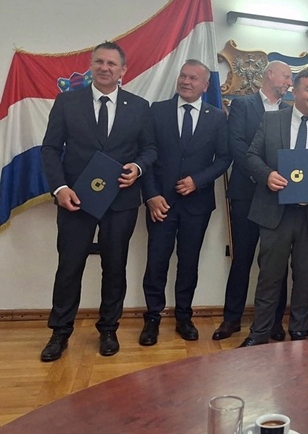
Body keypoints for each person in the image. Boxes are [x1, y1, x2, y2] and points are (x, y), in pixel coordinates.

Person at [39, 41, 157, 361]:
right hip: (75, 200)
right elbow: (50, 149)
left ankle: (108, 329)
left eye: (111, 63)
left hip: (121, 200)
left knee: (114, 267)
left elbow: (149, 149)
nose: (104, 68)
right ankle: (60, 333)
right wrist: (59, 188)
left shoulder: (139, 106)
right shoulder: (67, 102)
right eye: (99, 62)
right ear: (91, 66)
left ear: (123, 70)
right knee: (69, 267)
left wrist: (138, 167)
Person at [238, 70, 308, 346]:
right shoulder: (272, 119)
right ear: (294, 92)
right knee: (269, 277)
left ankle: (299, 332)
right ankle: (259, 333)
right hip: (275, 212)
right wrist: (266, 175)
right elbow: (251, 155)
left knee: (306, 278)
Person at [138, 60, 232, 345]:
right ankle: (152, 318)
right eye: (183, 76)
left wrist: (197, 181)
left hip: (197, 205)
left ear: (205, 85)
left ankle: (183, 317)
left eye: (193, 78)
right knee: (156, 262)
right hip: (160, 203)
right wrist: (151, 196)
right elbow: (146, 155)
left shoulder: (217, 117)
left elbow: (224, 159)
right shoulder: (157, 111)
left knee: (188, 263)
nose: (186, 82)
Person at [212, 61, 292, 342]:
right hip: (246, 193)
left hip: (279, 196)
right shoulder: (242, 105)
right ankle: (231, 319)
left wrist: (276, 178)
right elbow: (236, 145)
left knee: (276, 262)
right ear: (270, 74)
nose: (289, 82)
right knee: (242, 258)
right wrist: (263, 175)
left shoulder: (289, 110)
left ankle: (274, 322)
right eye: (286, 76)